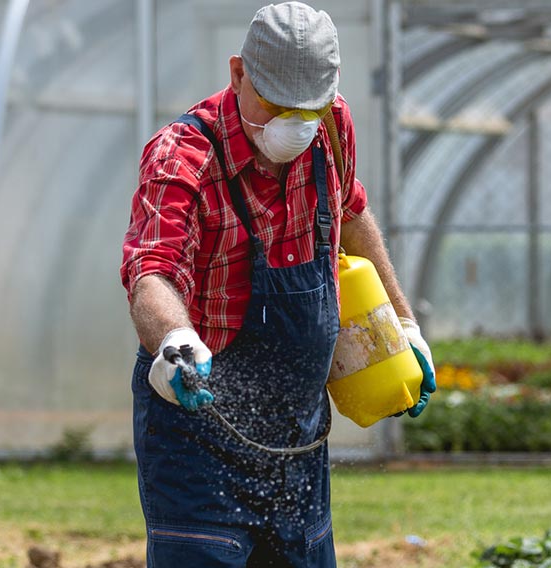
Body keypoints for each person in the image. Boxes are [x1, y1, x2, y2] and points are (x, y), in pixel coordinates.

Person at [119, 3, 436, 566]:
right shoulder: (183, 157)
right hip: (198, 434)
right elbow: (153, 270)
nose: (295, 122)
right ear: (238, 73)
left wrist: (402, 321)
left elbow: (352, 213)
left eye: (307, 105)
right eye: (275, 103)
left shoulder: (333, 125)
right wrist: (173, 341)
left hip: (297, 434)